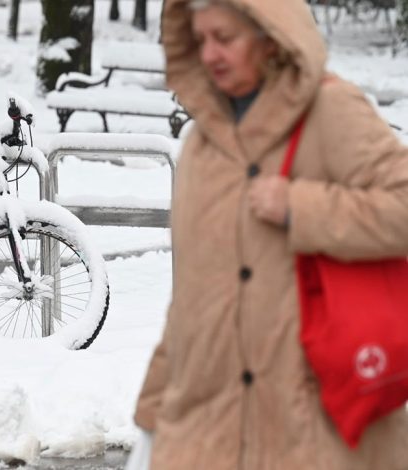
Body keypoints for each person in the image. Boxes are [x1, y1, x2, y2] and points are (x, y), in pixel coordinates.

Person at [133, 0, 408, 469]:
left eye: (225, 38)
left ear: (269, 36)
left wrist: (301, 206)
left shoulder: (330, 110)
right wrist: (151, 414)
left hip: (318, 429)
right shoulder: (200, 148)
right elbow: (191, 302)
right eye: (200, 41)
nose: (211, 54)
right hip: (208, 433)